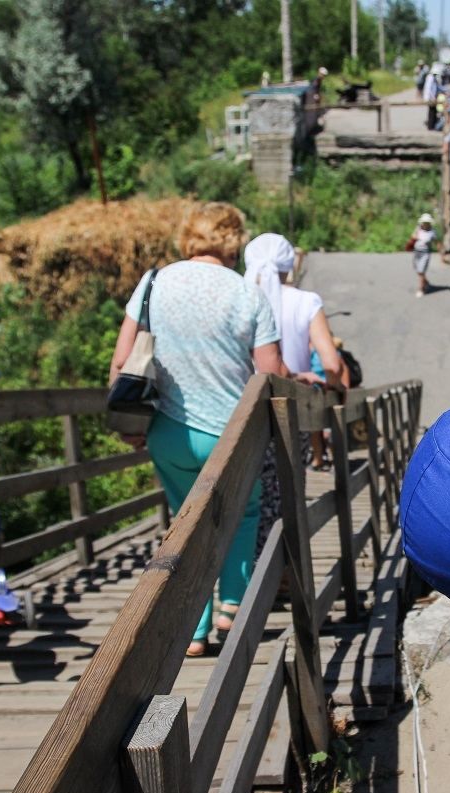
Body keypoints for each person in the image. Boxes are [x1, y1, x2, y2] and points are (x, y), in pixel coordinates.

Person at [109, 202, 283, 658]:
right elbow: (269, 374)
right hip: (231, 434)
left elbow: (122, 359)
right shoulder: (248, 294)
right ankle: (232, 607)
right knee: (242, 515)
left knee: (185, 522)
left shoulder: (153, 283)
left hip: (168, 431)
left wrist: (127, 424)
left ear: (189, 235)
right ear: (233, 240)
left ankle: (194, 628)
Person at [244, 233, 346, 471]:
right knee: (288, 487)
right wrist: (335, 391)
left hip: (245, 411)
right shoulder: (306, 301)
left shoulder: (240, 297)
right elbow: (331, 364)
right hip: (293, 410)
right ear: (288, 265)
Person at [407, 212, 436, 297]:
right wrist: (416, 235)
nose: (425, 224)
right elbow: (413, 237)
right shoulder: (418, 228)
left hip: (425, 253)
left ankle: (421, 289)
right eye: (424, 222)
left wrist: (442, 253)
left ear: (429, 223)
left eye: (427, 223)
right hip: (417, 252)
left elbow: (437, 242)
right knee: (418, 271)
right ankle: (426, 283)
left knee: (421, 271)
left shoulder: (432, 232)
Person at [423, 65, 441, 131]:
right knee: (431, 112)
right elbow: (429, 89)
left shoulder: (433, 77)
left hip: (433, 97)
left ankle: (433, 125)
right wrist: (431, 97)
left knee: (434, 111)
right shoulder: (430, 78)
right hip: (430, 98)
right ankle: (430, 126)